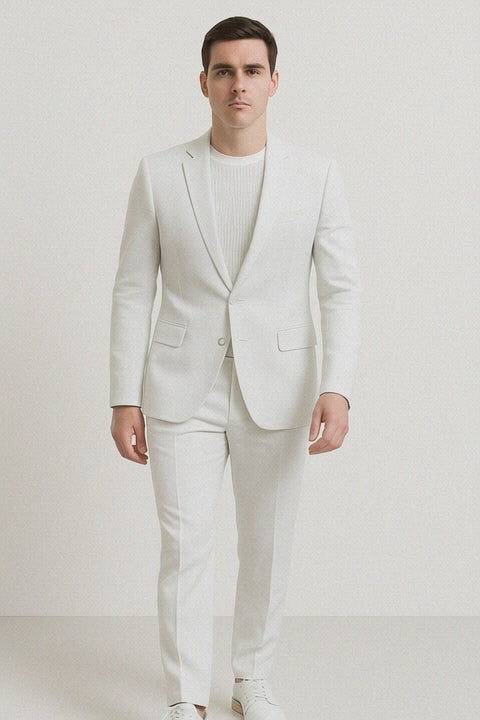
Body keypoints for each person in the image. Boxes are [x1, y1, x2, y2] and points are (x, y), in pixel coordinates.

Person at [110, 16, 360, 720]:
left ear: (274, 82)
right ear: (204, 82)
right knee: (184, 548)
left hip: (279, 388)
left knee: (268, 546)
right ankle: (186, 696)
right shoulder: (160, 173)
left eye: (252, 71)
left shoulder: (316, 175)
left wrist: (338, 387)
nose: (238, 85)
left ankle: (252, 679)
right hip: (177, 389)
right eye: (224, 71)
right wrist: (122, 396)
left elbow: (341, 289)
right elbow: (133, 288)